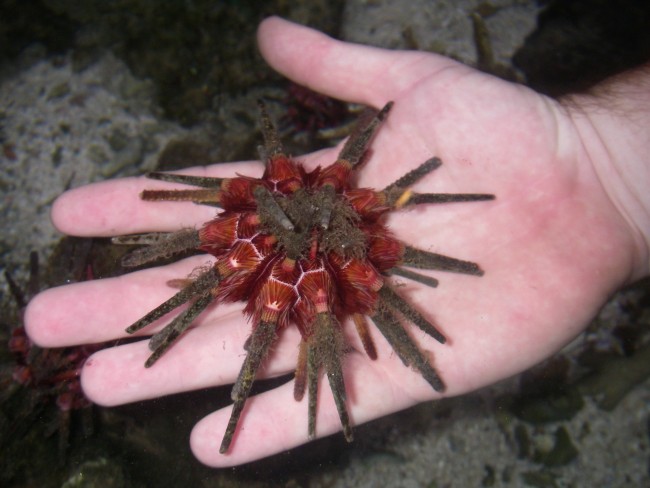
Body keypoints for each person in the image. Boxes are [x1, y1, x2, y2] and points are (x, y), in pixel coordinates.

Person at [24, 17, 650, 468]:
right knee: (240, 277)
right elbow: (277, 235)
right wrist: (608, 170)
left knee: (292, 292)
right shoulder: (284, 217)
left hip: (340, 237)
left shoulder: (349, 220)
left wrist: (605, 168)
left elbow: (331, 247)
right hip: (303, 237)